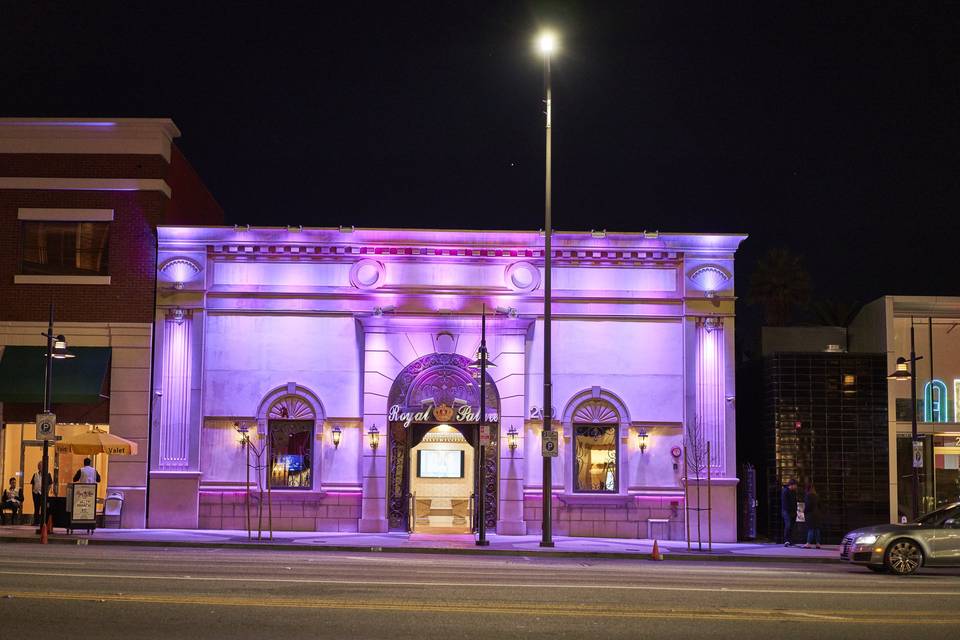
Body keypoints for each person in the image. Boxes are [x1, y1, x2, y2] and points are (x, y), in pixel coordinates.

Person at [30, 461, 53, 526]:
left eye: (40, 466)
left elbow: (50, 484)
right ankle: (36, 521)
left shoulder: (48, 474)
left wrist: (46, 492)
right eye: (38, 466)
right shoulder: (35, 474)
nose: (39, 467)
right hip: (36, 493)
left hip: (43, 494)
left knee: (43, 508)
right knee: (36, 507)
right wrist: (33, 492)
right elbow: (33, 484)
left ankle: (43, 522)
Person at [803, 484, 822, 549]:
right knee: (817, 529)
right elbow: (820, 505)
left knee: (810, 529)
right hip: (817, 514)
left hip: (810, 514)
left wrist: (804, 511)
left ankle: (808, 543)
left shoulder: (807, 496)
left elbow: (808, 506)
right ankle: (818, 543)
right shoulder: (817, 496)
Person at [781, 478, 798, 546]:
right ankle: (786, 540)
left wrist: (795, 510)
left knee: (792, 526)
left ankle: (791, 540)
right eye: (795, 485)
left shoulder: (793, 492)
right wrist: (789, 510)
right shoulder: (785, 491)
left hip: (793, 511)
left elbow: (794, 501)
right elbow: (785, 503)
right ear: (792, 485)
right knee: (788, 525)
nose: (796, 487)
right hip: (787, 511)